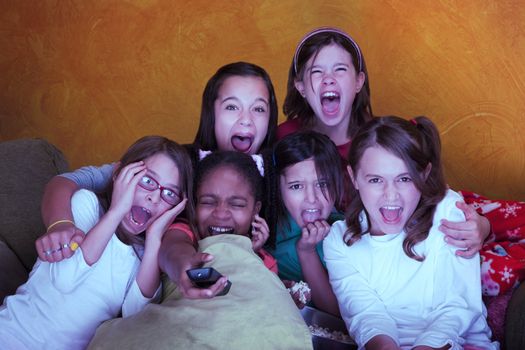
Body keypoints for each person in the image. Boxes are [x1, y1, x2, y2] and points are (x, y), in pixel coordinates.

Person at [279, 26, 491, 259]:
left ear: (359, 81)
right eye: (317, 72)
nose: (329, 80)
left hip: (382, 253)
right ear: (300, 87)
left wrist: (482, 226)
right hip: (319, 255)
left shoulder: (378, 138)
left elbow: (433, 198)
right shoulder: (283, 139)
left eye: (340, 69)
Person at [36, 61, 278, 263]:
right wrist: (60, 224)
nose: (246, 120)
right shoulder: (175, 164)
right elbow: (67, 182)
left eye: (258, 109)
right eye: (232, 107)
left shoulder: (277, 175)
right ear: (211, 113)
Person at [0, 135, 193, 349]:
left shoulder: (141, 257)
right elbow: (64, 279)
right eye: (147, 181)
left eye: (169, 194)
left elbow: (135, 316)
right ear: (120, 175)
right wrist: (117, 210)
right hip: (10, 334)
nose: (154, 198)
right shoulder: (86, 204)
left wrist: (155, 238)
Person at [323, 116, 498, 349]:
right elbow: (366, 315)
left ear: (424, 174)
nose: (391, 195)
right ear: (354, 177)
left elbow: (457, 309)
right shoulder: (339, 240)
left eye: (404, 179)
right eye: (376, 180)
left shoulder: (447, 213)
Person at [266, 130, 344, 315]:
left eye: (323, 184)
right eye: (296, 186)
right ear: (278, 187)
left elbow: (335, 312)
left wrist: (307, 251)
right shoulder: (264, 232)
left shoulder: (345, 234)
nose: (311, 199)